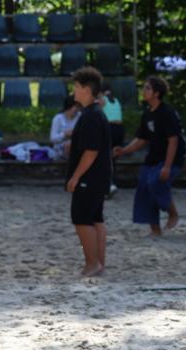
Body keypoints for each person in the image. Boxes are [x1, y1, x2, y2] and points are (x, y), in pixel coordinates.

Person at [113, 75, 186, 236]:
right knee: (144, 188)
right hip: (153, 158)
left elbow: (173, 141)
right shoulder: (147, 114)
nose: (144, 91)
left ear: (156, 93)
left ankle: (172, 212)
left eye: (147, 88)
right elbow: (141, 139)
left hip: (172, 159)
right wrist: (124, 150)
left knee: (155, 183)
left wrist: (167, 166)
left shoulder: (167, 113)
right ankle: (155, 230)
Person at [66, 66, 111, 277]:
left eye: (76, 87)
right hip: (99, 177)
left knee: (82, 219)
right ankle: (98, 264)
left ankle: (92, 264)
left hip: (89, 178)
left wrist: (75, 177)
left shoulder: (91, 116)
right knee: (96, 219)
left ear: (86, 89)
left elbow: (91, 151)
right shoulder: (95, 114)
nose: (73, 91)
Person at [99, 87, 123, 194]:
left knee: (105, 157)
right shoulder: (116, 100)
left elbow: (96, 113)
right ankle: (112, 182)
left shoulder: (102, 99)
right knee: (112, 158)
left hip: (109, 128)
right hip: (119, 129)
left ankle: (109, 184)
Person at [49, 95, 80, 160]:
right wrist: (64, 134)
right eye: (76, 106)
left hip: (77, 146)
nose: (77, 109)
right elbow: (53, 139)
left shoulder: (80, 116)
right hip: (60, 148)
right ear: (69, 106)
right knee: (69, 145)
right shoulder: (58, 118)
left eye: (78, 107)